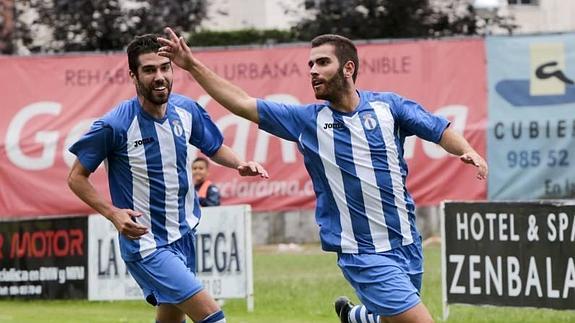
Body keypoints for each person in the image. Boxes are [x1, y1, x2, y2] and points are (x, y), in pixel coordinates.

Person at [157, 27, 488, 323]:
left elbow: (437, 128)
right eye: (310, 65)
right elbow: (242, 103)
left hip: (407, 243)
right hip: (362, 253)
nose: (313, 71)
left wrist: (465, 150)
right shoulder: (307, 121)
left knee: (392, 318)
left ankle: (357, 316)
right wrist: (192, 65)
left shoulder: (388, 108)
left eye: (322, 63)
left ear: (348, 68)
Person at [67, 34, 268, 323]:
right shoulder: (115, 125)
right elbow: (76, 177)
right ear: (133, 76)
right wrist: (112, 214)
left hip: (184, 236)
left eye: (165, 67)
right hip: (147, 244)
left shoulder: (186, 110)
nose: (159, 76)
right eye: (149, 70)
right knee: (212, 316)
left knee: (172, 320)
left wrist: (240, 164)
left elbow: (214, 147)